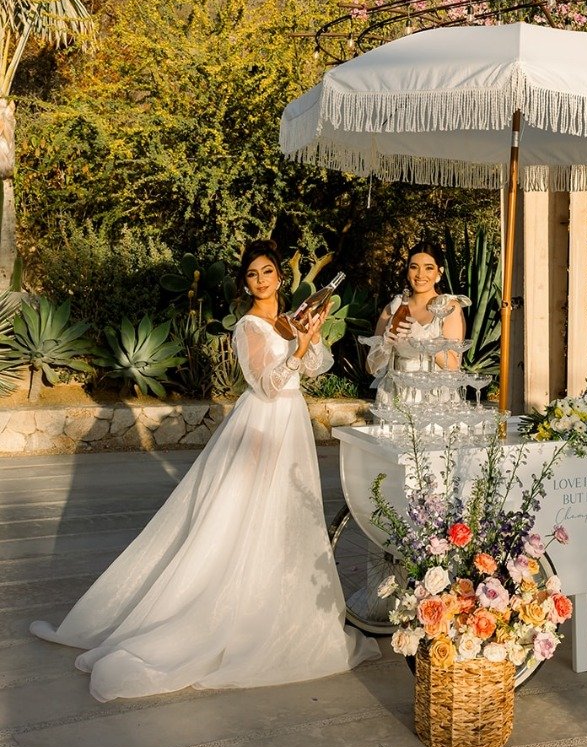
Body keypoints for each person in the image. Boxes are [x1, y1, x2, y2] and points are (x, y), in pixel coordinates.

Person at [30, 239, 380, 701]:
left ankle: (280, 606)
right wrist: (298, 348)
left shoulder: (287, 318)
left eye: (268, 272)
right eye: (252, 274)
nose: (261, 280)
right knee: (245, 513)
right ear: (245, 282)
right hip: (261, 423)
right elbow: (268, 385)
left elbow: (317, 367)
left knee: (289, 514)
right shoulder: (249, 327)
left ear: (280, 276)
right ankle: (220, 610)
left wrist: (308, 336)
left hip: (291, 424)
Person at [363, 242, 467, 403]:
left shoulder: (449, 307)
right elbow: (371, 368)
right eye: (414, 267)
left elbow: (453, 365)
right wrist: (385, 343)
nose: (420, 274)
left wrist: (423, 338)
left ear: (440, 272)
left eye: (428, 268)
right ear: (407, 270)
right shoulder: (393, 308)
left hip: (435, 400)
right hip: (394, 397)